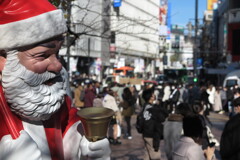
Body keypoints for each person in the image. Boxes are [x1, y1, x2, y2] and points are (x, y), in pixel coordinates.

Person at [0, 0, 111, 159]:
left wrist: (82, 145)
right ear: (3, 58)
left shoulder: (50, 96)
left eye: (57, 54)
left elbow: (67, 123)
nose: (57, 65)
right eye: (42, 56)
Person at [141, 88, 168, 160]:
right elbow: (162, 118)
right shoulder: (153, 108)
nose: (154, 96)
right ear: (150, 97)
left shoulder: (144, 107)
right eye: (153, 95)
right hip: (152, 134)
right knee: (155, 154)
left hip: (145, 133)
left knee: (147, 153)